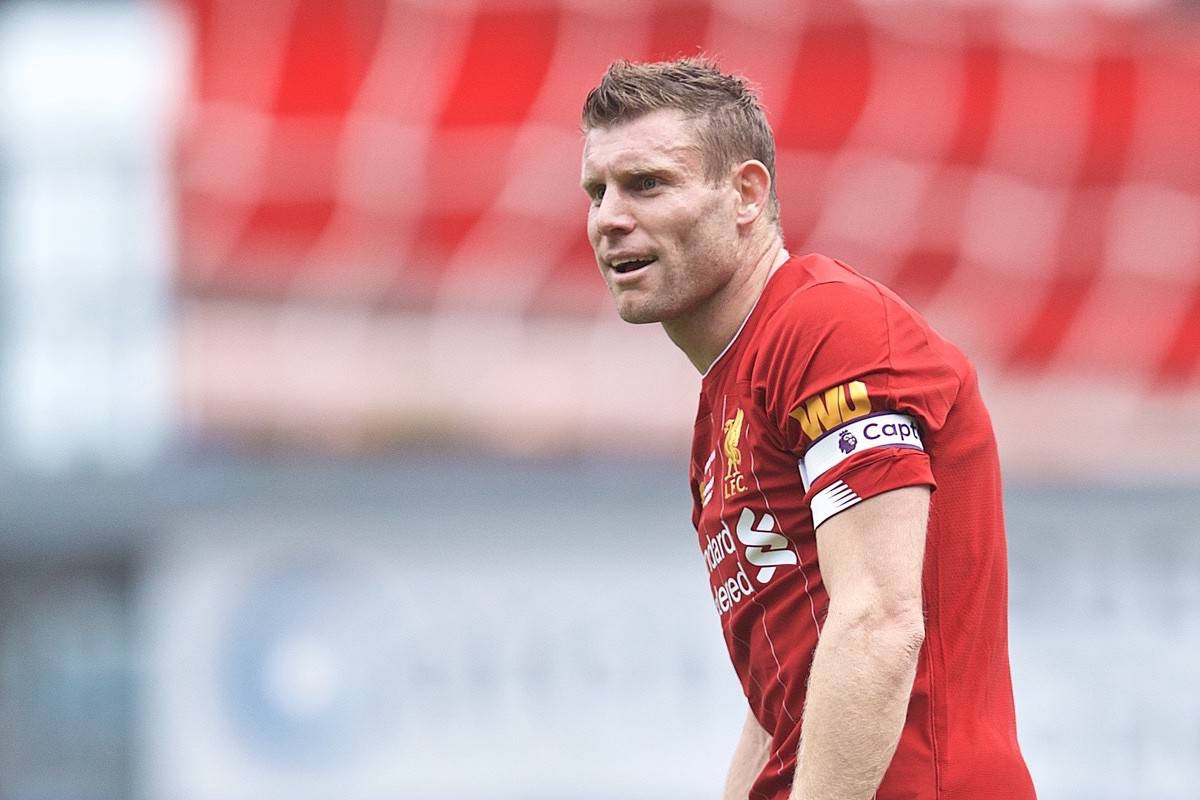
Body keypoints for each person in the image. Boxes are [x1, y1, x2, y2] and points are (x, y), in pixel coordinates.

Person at [579, 57, 1037, 800]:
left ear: (746, 195)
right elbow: (778, 702)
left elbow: (881, 621)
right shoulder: (723, 399)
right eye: (596, 192)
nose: (609, 217)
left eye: (648, 184)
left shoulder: (826, 326)